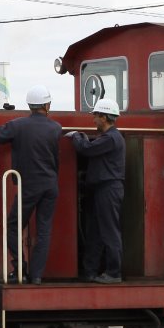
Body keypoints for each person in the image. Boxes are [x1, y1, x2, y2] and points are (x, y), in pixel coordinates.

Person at [0, 85, 62, 284]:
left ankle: (19, 269)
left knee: (13, 225)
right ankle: (36, 276)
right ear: (46, 105)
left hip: (29, 186)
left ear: (30, 105)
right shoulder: (56, 128)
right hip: (50, 185)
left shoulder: (18, 126)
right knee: (44, 230)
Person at [69, 97, 125, 283]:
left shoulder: (111, 138)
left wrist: (76, 135)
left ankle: (114, 273)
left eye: (96, 116)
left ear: (104, 117)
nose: (93, 120)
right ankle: (90, 271)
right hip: (101, 189)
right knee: (95, 231)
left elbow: (86, 149)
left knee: (109, 231)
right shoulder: (109, 138)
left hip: (108, 189)